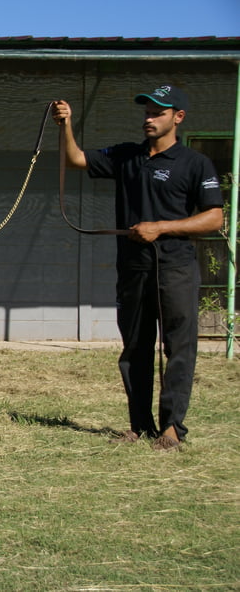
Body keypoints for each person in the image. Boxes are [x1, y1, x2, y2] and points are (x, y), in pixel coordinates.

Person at [52, 85, 224, 451]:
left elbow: (214, 218)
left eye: (158, 112)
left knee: (178, 348)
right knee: (135, 349)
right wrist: (65, 125)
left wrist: (161, 226)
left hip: (175, 268)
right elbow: (76, 160)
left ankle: (173, 428)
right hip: (132, 268)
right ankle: (140, 425)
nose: (149, 118)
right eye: (146, 112)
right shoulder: (127, 156)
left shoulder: (196, 164)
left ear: (178, 117)